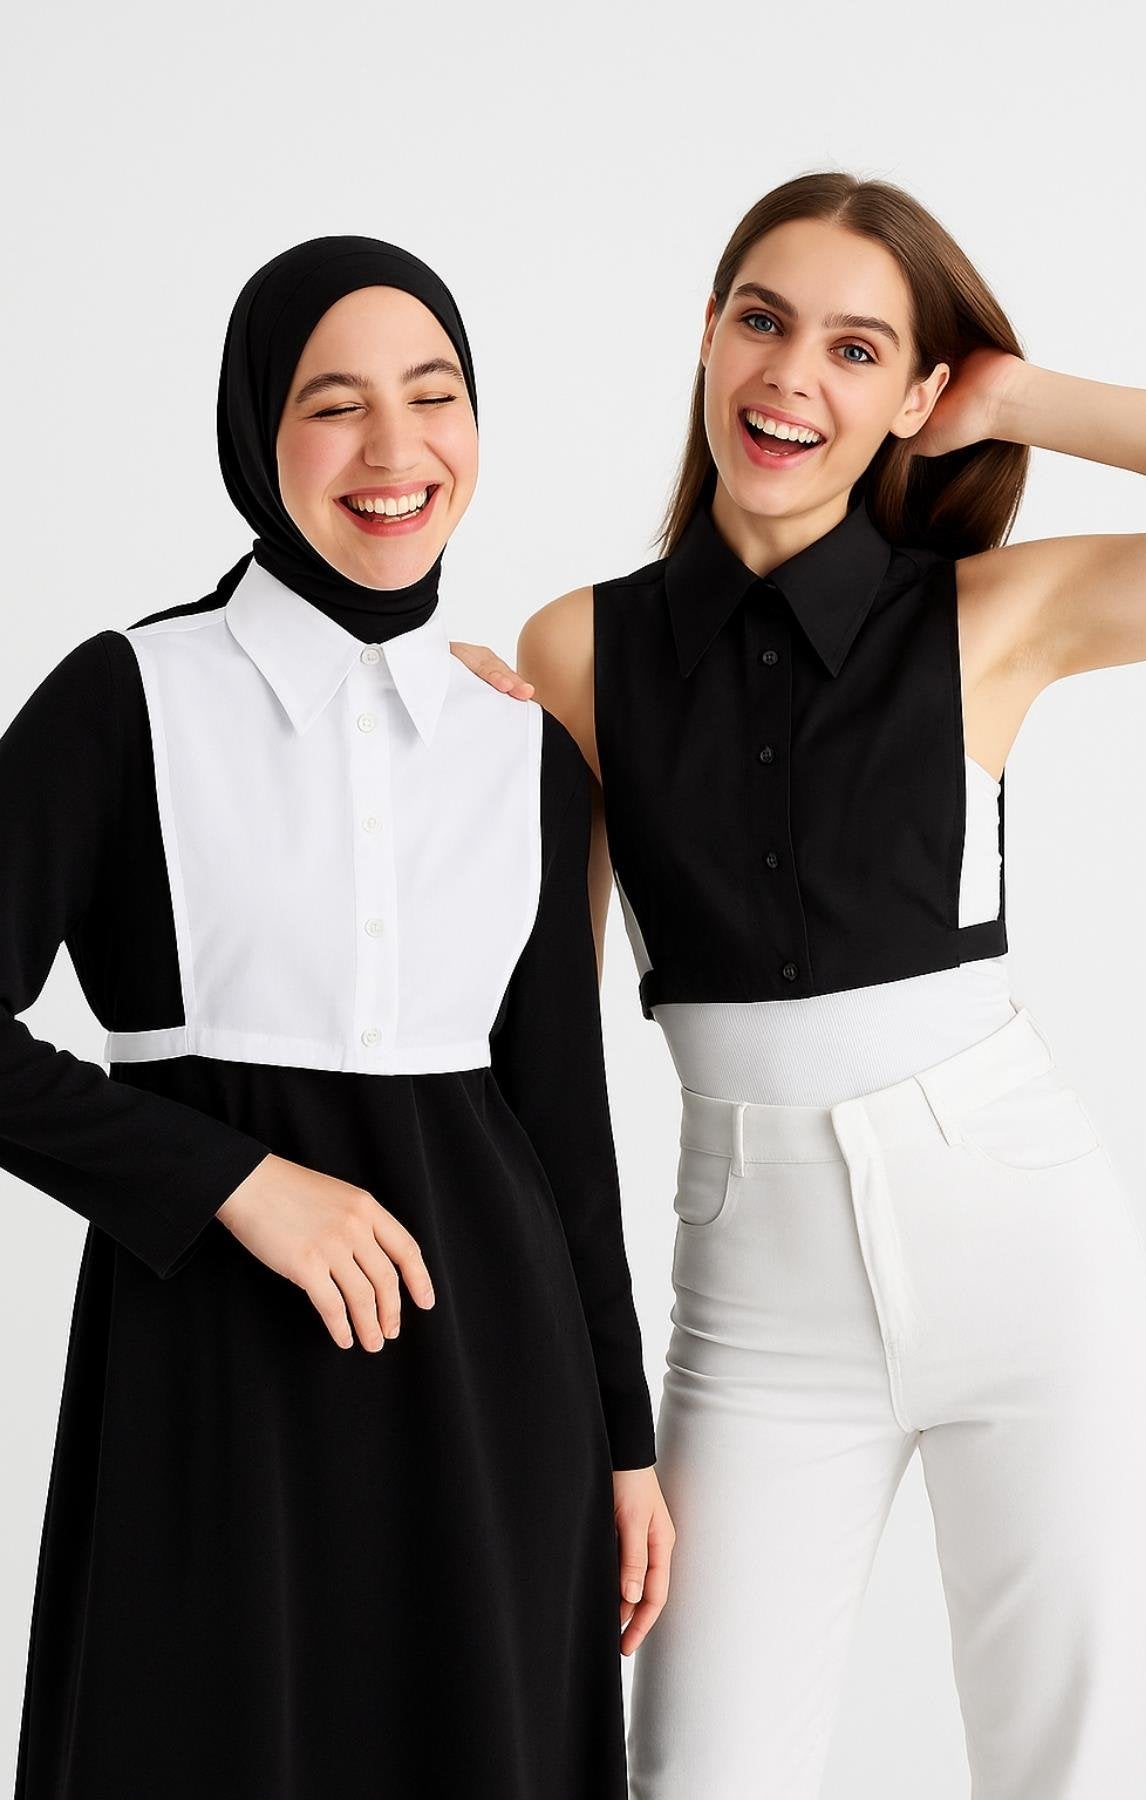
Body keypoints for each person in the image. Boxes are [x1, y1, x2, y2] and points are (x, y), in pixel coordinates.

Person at [450, 172, 1146, 1798]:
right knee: (699, 1774)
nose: (792, 376)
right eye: (764, 321)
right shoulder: (578, 650)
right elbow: (534, 1046)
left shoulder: (994, 614)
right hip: (753, 1306)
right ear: (710, 335)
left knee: (1069, 1770)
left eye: (859, 351)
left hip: (1031, 1256)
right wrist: (432, 762)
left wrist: (1025, 401)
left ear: (917, 395)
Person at [2, 233, 671, 1799]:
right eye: (333, 404)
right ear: (256, 433)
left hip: (494, 1408)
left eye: (435, 397)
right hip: (210, 1392)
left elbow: (560, 1122)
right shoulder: (129, 697)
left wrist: (623, 1442)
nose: (394, 450)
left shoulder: (524, 750)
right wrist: (236, 1180)